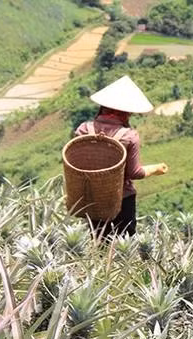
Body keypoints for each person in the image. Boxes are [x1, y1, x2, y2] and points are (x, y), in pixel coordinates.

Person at [74, 76, 168, 238]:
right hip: (120, 199)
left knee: (99, 242)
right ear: (127, 111)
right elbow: (134, 173)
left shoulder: (82, 130)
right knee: (125, 246)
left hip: (92, 197)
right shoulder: (129, 136)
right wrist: (155, 169)